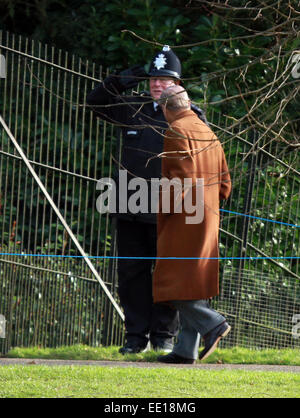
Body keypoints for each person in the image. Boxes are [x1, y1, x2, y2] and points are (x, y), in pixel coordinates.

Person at [86, 45, 208, 355]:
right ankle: (135, 337)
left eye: (164, 79)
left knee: (167, 275)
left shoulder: (190, 115)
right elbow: (95, 101)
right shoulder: (132, 106)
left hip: (170, 211)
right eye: (152, 78)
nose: (156, 84)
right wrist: (132, 75)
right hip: (129, 206)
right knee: (131, 275)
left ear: (177, 84)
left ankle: (163, 337)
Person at [153, 85, 232, 363]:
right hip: (207, 217)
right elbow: (225, 185)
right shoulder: (207, 131)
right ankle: (186, 351)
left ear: (165, 108)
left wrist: (161, 210)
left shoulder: (176, 130)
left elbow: (179, 182)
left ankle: (213, 323)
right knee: (193, 283)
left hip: (185, 221)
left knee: (172, 282)